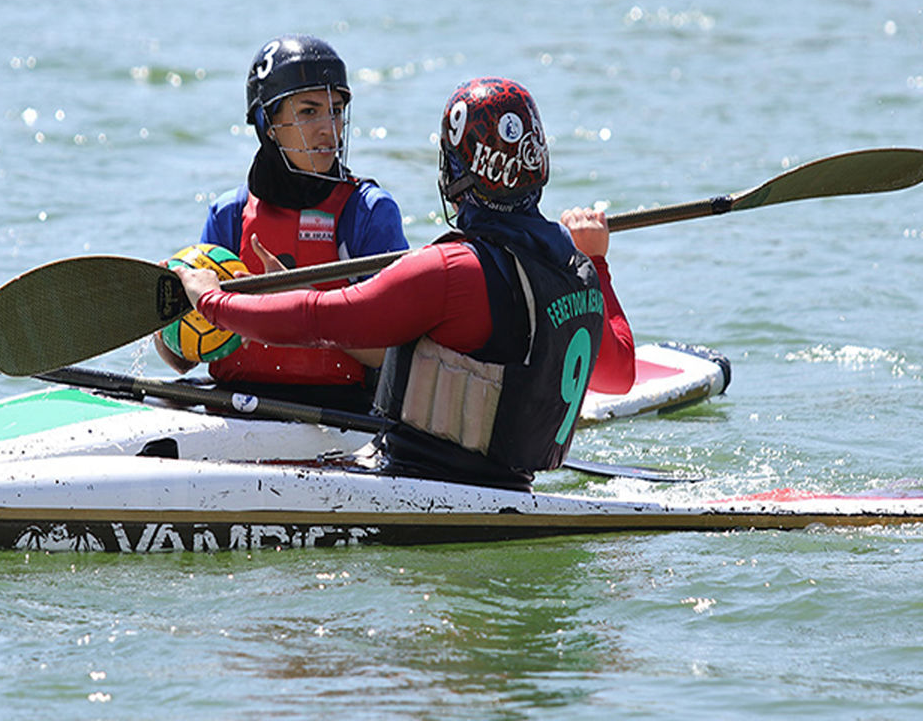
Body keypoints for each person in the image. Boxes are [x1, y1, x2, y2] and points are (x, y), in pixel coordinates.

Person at [174, 77, 635, 491]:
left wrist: (210, 299)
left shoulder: (449, 271)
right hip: (511, 486)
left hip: (411, 478)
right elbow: (619, 376)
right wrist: (599, 263)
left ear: (455, 173)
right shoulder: (577, 269)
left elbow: (318, 320)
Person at [155, 34, 408, 413]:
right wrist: (170, 317)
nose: (330, 129)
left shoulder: (368, 212)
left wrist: (299, 304)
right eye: (309, 112)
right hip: (234, 408)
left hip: (342, 415)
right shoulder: (229, 214)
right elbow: (182, 361)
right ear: (268, 124)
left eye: (336, 110)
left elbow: (394, 355)